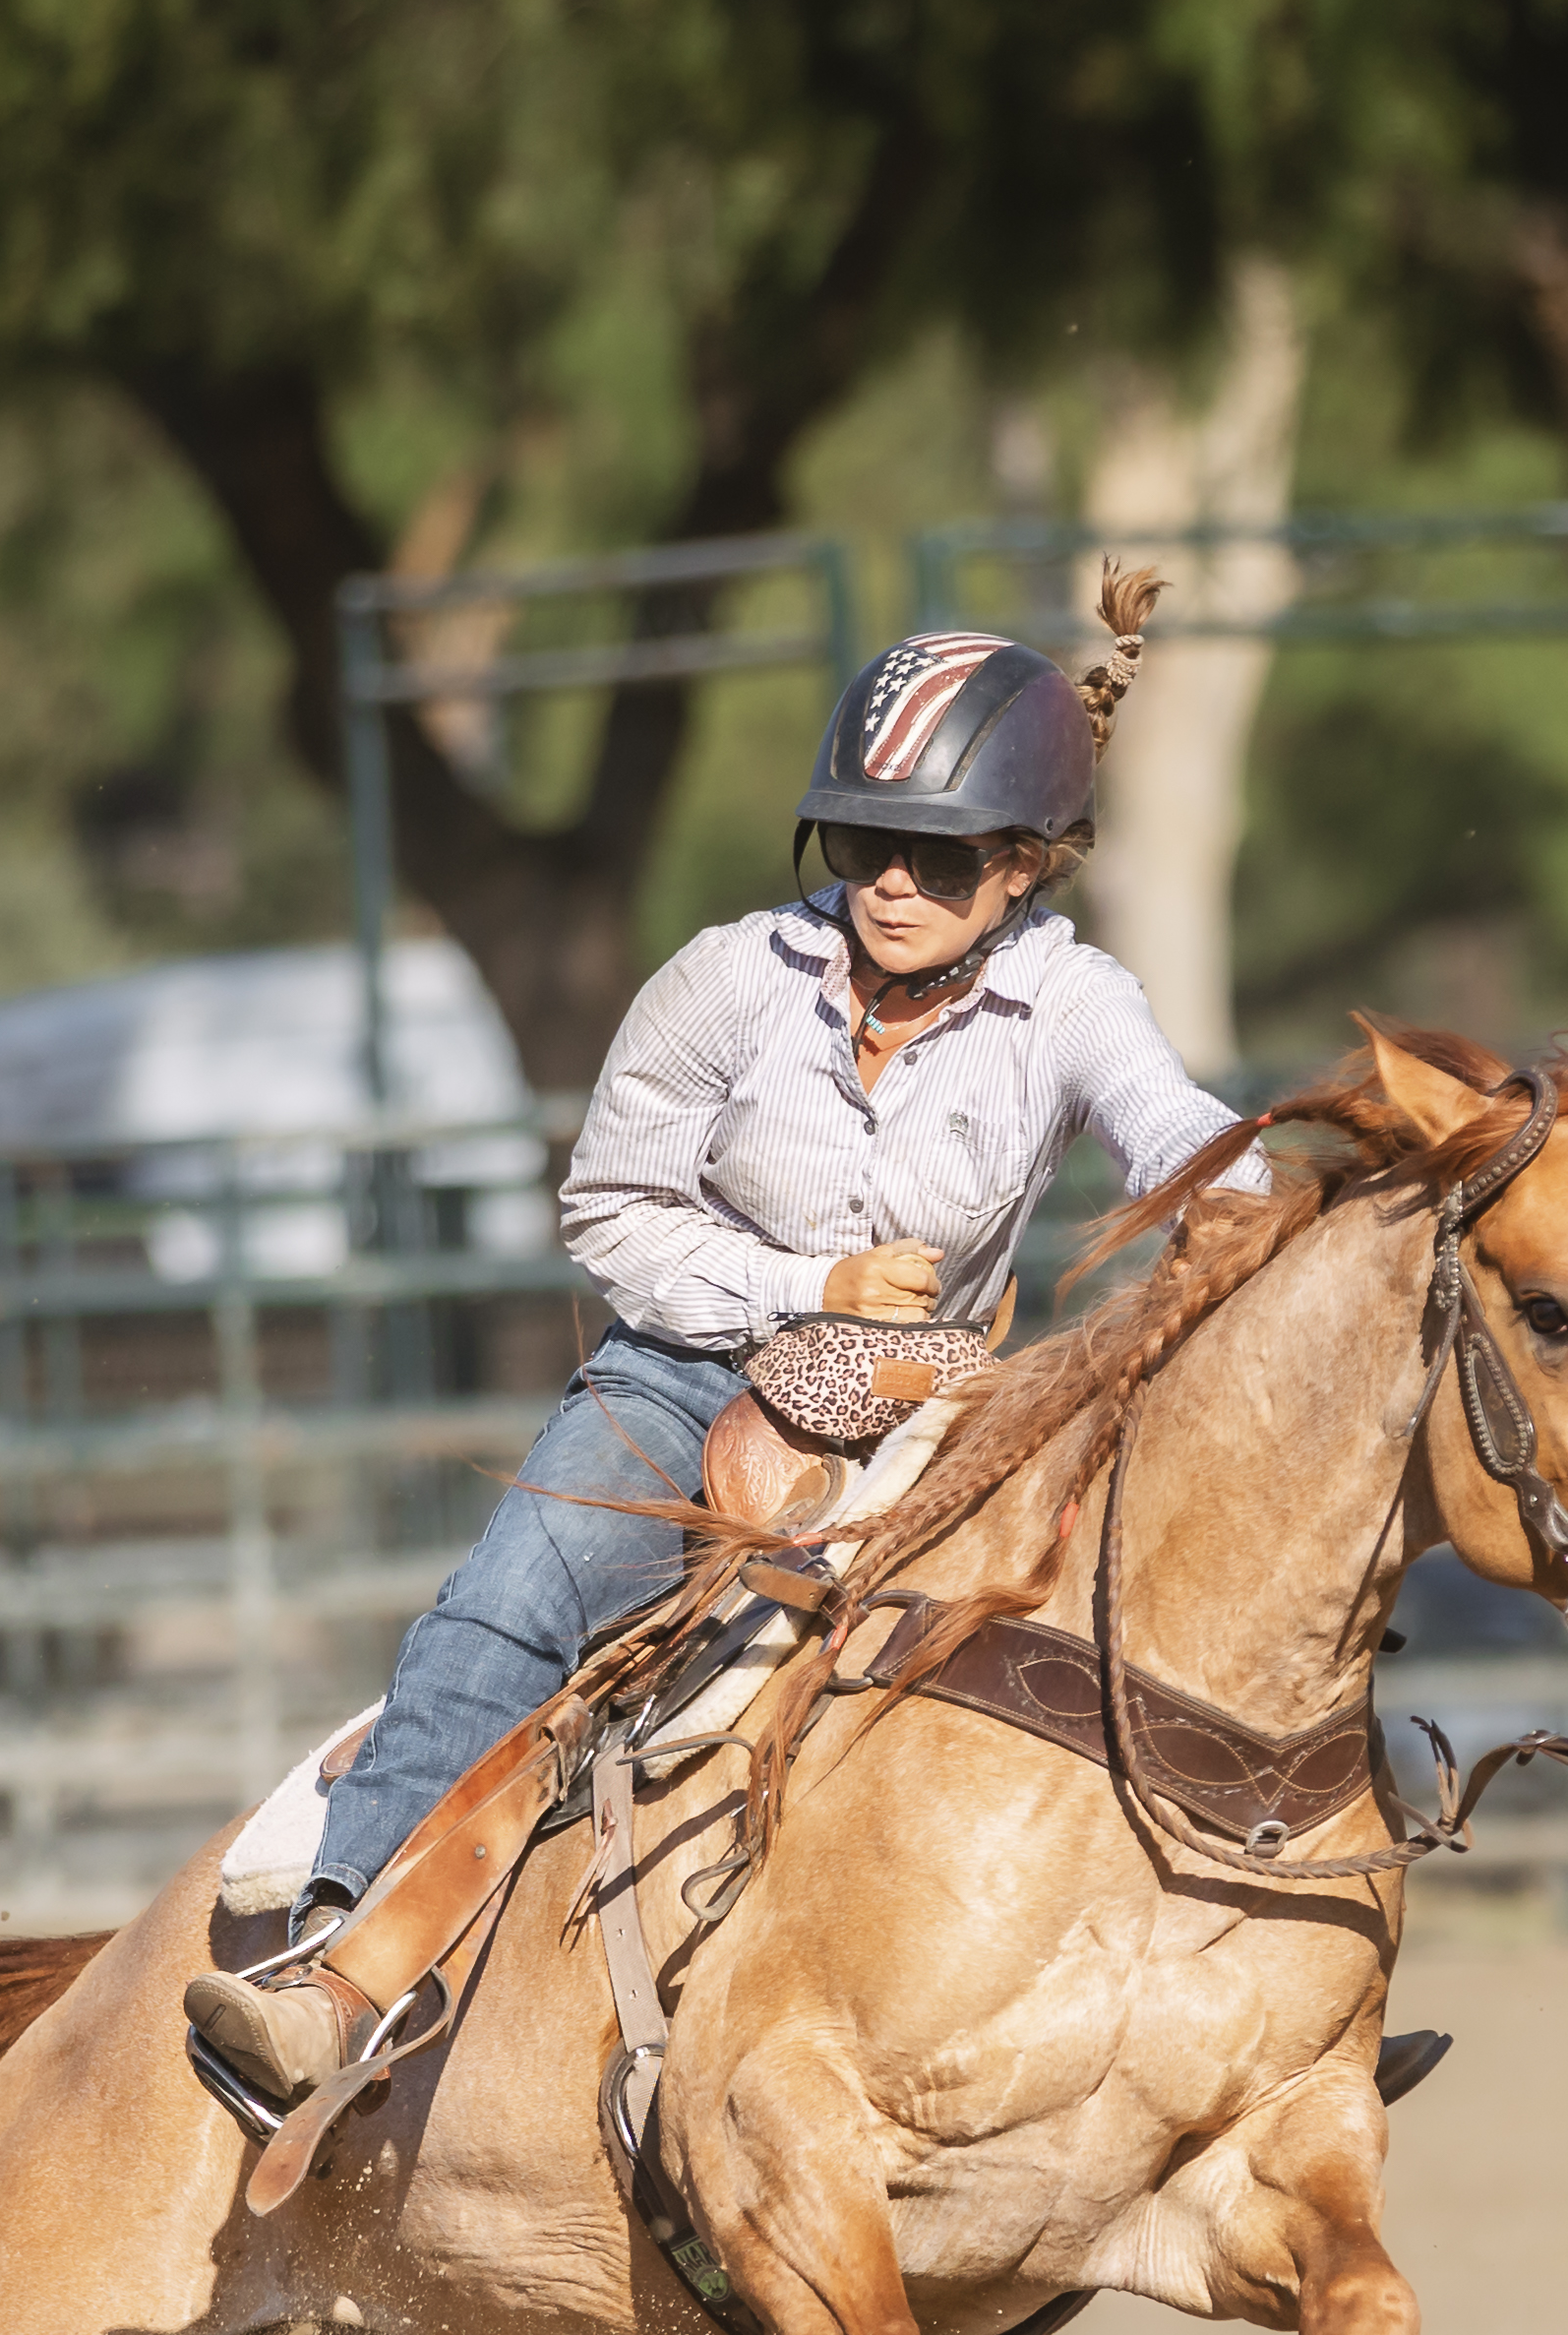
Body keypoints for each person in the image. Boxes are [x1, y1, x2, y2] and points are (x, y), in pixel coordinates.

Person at [186, 587, 1241, 2108]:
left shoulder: (1071, 1002)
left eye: (938, 857)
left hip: (941, 1410)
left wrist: (1274, 1200)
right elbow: (607, 1207)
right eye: (862, 842)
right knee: (515, 1598)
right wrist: (807, 1280)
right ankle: (333, 1971)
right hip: (684, 1374)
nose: (890, 882)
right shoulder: (729, 979)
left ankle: (1234, 1985)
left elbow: (1177, 1130)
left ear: (1023, 866)